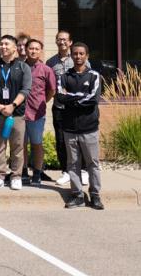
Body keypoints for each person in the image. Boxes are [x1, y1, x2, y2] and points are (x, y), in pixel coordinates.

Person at [56, 43, 104, 210]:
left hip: (89, 127)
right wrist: (79, 97)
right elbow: (60, 97)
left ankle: (95, 195)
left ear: (87, 56)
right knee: (73, 163)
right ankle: (77, 195)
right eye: (75, 54)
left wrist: (71, 97)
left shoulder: (94, 76)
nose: (78, 56)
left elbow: (93, 99)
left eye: (81, 53)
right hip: (69, 128)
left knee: (92, 163)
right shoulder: (63, 76)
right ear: (71, 56)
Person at [0, 35, 32, 190]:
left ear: (15, 48)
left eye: (6, 44)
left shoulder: (23, 67)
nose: (3, 47)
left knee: (17, 146)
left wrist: (12, 105)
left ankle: (16, 176)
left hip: (16, 114)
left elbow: (26, 89)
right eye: (1, 44)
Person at [47, 30, 79, 187]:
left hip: (76, 108)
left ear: (70, 42)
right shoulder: (50, 62)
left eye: (65, 40)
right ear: (56, 42)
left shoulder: (79, 59)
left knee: (78, 140)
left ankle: (82, 171)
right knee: (61, 140)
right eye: (59, 39)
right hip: (59, 107)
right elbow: (48, 85)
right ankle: (66, 171)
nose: (62, 42)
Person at [23, 38, 57, 185]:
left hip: (37, 114)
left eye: (37, 49)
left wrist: (42, 103)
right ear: (26, 49)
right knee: (21, 145)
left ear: (40, 51)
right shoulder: (19, 67)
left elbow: (52, 90)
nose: (33, 51)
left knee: (37, 144)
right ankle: (22, 172)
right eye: (31, 48)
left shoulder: (46, 69)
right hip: (20, 113)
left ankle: (37, 173)